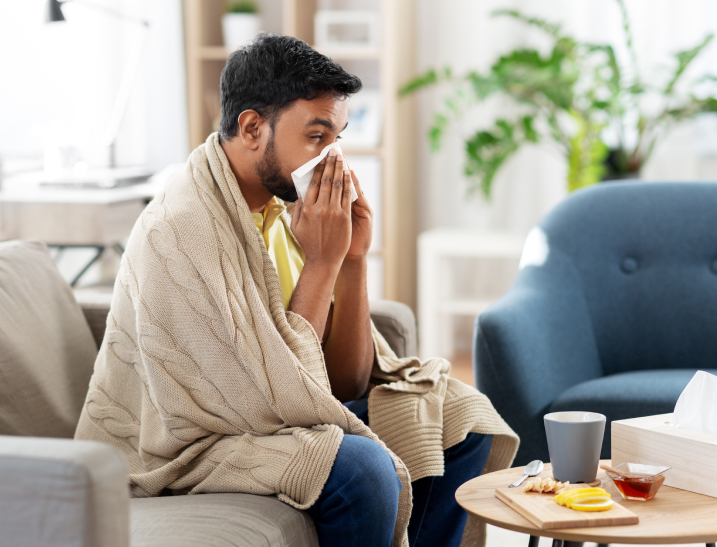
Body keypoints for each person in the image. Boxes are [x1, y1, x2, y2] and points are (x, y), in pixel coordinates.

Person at [75, 33, 519, 547]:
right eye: (316, 136)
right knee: (361, 468)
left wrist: (351, 261)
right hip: (192, 444)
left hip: (269, 419)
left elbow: (345, 384)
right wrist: (323, 262)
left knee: (460, 418)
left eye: (338, 138)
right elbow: (274, 403)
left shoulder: (284, 210)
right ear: (252, 128)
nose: (332, 159)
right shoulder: (183, 229)